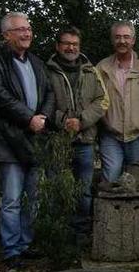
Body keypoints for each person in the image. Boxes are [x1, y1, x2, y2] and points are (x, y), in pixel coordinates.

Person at [0, 11, 55, 269]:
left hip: (36, 139)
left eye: (28, 29)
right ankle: (11, 250)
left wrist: (44, 116)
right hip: (9, 141)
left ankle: (26, 245)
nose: (27, 33)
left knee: (32, 197)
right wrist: (28, 118)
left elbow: (48, 91)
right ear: (6, 35)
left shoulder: (36, 61)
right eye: (20, 30)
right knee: (12, 199)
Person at [46, 26, 108, 244]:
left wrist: (81, 121)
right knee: (55, 188)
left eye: (75, 44)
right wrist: (63, 121)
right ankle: (57, 233)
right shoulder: (47, 71)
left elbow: (102, 101)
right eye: (66, 43)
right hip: (57, 141)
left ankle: (80, 234)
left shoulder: (91, 71)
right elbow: (41, 102)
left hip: (85, 141)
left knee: (83, 191)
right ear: (58, 46)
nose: (71, 47)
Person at [96, 20, 139, 183]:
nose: (122, 41)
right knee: (111, 178)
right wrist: (103, 117)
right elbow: (93, 97)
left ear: (133, 40)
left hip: (138, 134)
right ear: (112, 40)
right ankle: (110, 209)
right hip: (110, 134)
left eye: (126, 37)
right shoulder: (102, 67)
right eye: (118, 37)